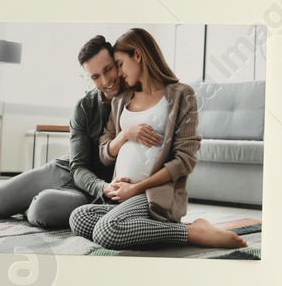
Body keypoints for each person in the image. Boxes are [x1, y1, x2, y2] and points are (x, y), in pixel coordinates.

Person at [67, 29, 245, 250]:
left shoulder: (181, 94)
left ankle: (191, 232)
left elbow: (184, 161)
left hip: (152, 195)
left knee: (106, 231)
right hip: (120, 196)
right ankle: (140, 226)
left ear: (138, 56)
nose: (119, 74)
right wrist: (125, 134)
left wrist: (136, 188)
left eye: (120, 64)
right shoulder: (120, 100)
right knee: (78, 218)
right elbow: (104, 153)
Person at [0, 35, 152, 228]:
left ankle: (34, 203)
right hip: (66, 170)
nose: (105, 81)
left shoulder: (140, 99)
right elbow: (77, 167)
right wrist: (101, 186)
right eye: (95, 76)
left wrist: (104, 189)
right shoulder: (84, 106)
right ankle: (33, 199)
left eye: (108, 69)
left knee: (41, 210)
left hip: (89, 193)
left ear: (117, 63)